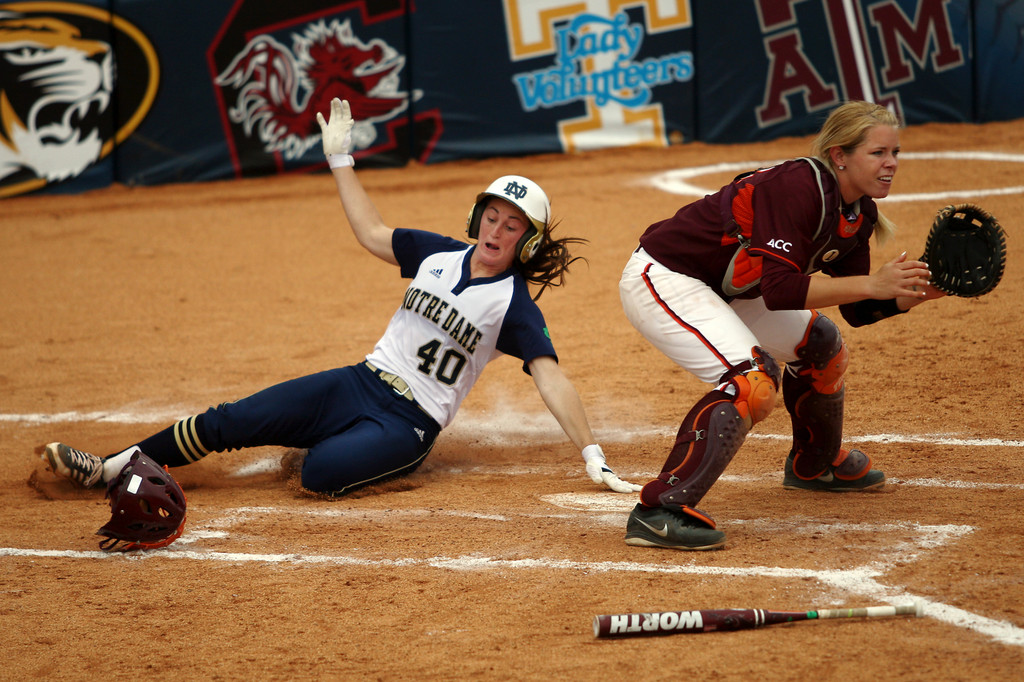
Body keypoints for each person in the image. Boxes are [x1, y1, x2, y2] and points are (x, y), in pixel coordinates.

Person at [41, 97, 639, 499]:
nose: (496, 230)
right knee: (232, 419)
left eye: (512, 226)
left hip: (409, 424)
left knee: (320, 475)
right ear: (476, 215)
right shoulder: (434, 254)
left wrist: (591, 451)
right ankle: (110, 467)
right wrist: (340, 160)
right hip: (359, 381)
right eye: (491, 215)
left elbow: (550, 377)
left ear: (527, 243)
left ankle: (339, 452)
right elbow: (373, 233)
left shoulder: (513, 304)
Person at [618, 100, 945, 551]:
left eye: (896, 152)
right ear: (840, 155)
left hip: (728, 290)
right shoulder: (798, 187)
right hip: (667, 276)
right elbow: (780, 291)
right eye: (878, 153)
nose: (891, 163)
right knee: (751, 382)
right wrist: (872, 283)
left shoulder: (858, 213)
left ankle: (815, 464)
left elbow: (856, 308)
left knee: (821, 343)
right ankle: (659, 510)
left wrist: (916, 296)